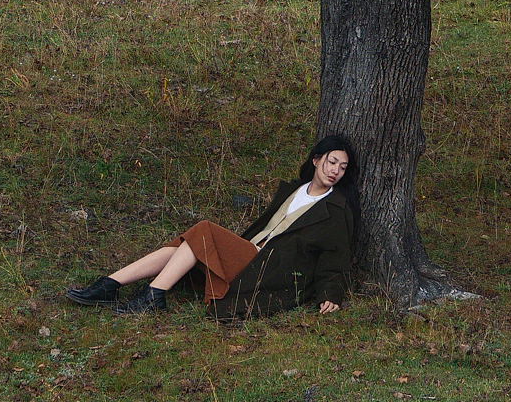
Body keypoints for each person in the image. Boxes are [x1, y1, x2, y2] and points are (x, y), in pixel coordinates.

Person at [65, 135, 356, 320]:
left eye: (342, 168)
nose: (335, 171)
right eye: (331, 162)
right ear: (316, 159)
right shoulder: (295, 189)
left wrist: (330, 294)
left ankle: (151, 296)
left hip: (268, 270)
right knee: (187, 244)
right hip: (250, 252)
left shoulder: (335, 210)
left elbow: (335, 261)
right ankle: (110, 285)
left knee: (203, 230)